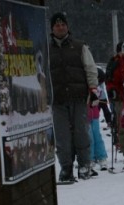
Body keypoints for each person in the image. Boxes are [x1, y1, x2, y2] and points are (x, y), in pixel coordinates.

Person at [48, 12, 99, 182]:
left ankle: (85, 165)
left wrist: (93, 91)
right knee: (62, 137)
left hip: (78, 97)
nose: (60, 27)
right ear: (52, 28)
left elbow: (90, 69)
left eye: (63, 24)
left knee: (81, 133)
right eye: (57, 25)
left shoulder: (80, 46)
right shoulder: (46, 49)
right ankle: (66, 168)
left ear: (67, 27)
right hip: (57, 99)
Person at [106, 38, 124, 161]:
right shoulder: (117, 62)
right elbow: (111, 80)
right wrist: (112, 91)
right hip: (121, 99)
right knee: (122, 126)